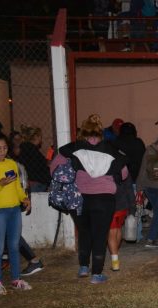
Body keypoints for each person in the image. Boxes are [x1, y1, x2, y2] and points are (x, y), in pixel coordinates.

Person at [55, 114, 128, 283]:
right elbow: (123, 173)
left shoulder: (74, 148)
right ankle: (96, 274)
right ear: (100, 133)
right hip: (104, 199)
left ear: (83, 133)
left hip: (79, 198)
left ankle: (83, 268)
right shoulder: (110, 148)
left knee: (85, 233)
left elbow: (55, 167)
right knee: (100, 235)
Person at [0, 132, 32, 295]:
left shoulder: (11, 163)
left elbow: (17, 186)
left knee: (14, 245)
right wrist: (0, 184)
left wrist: (24, 199)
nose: (2, 151)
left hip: (13, 210)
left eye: (4, 148)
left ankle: (16, 279)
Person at [138, 138, 158, 247]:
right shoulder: (156, 153)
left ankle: (157, 237)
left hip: (149, 186)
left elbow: (142, 169)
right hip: (155, 186)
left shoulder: (149, 151)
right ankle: (151, 239)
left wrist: (140, 186)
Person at [18, 125, 50, 192]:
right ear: (36, 137)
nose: (41, 139)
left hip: (31, 182)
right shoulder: (32, 151)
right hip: (36, 183)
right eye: (40, 136)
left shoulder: (25, 149)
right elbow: (38, 168)